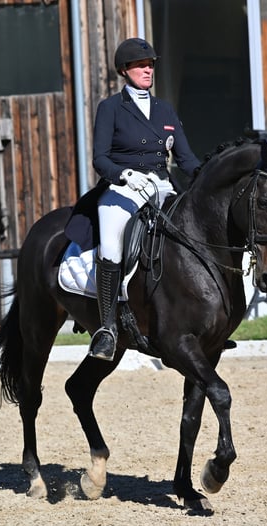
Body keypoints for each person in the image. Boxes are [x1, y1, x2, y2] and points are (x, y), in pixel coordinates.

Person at [88, 38, 201, 361]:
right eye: (141, 65)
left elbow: (186, 159)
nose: (148, 69)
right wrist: (124, 175)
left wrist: (207, 178)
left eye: (151, 64)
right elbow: (100, 158)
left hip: (161, 187)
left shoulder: (165, 109)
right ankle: (107, 329)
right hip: (122, 189)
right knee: (110, 246)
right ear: (125, 70)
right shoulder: (110, 108)